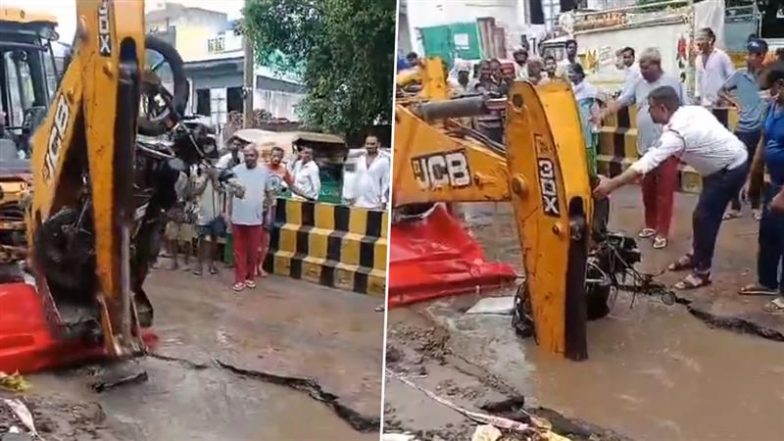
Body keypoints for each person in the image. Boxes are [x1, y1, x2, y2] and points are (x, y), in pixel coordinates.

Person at [594, 86, 749, 290]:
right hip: (723, 165)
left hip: (730, 170)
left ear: (663, 108)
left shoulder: (676, 133)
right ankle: (697, 255)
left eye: (651, 108)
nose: (648, 112)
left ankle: (702, 272)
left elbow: (645, 163)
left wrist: (611, 185)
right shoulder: (691, 111)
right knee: (701, 216)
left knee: (705, 217)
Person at [596, 47, 684, 249]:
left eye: (646, 67)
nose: (643, 71)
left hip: (668, 147)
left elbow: (685, 109)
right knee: (648, 190)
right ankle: (651, 225)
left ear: (656, 65)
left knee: (665, 192)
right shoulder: (638, 83)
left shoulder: (672, 83)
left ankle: (662, 232)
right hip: (645, 146)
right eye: (641, 67)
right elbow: (623, 100)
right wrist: (603, 113)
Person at [738, 62, 784, 311]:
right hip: (775, 182)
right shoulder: (773, 107)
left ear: (781, 85)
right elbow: (762, 144)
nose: (766, 94)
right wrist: (752, 180)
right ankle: (767, 282)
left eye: (769, 89)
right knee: (769, 235)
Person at [719, 38, 769, 221]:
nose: (749, 58)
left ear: (762, 56)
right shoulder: (739, 75)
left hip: (762, 130)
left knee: (758, 170)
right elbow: (721, 90)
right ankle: (735, 207)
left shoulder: (768, 77)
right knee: (736, 167)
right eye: (748, 54)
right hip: (742, 129)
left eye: (754, 54)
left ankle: (756, 206)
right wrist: (735, 102)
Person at [227, 145, 275, 292]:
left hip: (256, 217)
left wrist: (269, 214)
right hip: (238, 216)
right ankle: (239, 279)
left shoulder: (264, 172)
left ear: (257, 156)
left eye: (251, 155)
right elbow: (229, 194)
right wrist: (227, 213)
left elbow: (270, 194)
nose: (248, 158)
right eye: (246, 155)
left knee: (253, 250)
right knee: (238, 250)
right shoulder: (235, 171)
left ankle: (250, 278)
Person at [191, 162, 226, 276]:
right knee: (201, 240)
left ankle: (212, 264)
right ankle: (199, 265)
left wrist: (215, 178)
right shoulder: (200, 178)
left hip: (215, 214)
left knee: (214, 240)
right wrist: (206, 178)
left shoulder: (219, 180)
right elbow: (197, 191)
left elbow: (220, 190)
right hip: (202, 214)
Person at [570, 64, 600, 177]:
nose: (570, 75)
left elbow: (595, 107)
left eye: (572, 72)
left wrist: (596, 125)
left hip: (587, 125)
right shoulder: (570, 89)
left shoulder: (589, 88)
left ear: (579, 74)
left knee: (589, 151)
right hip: (574, 125)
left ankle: (592, 176)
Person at [695, 28, 735, 112]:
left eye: (701, 39)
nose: (698, 43)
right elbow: (698, 80)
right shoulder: (698, 59)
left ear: (710, 40)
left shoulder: (721, 56)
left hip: (720, 105)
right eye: (697, 39)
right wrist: (697, 95)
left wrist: (726, 97)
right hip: (704, 104)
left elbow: (732, 78)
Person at [351, 135, 391, 210]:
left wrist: (383, 202)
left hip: (375, 205)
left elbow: (385, 183)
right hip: (358, 204)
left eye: (372, 144)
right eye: (367, 144)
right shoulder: (360, 159)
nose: (369, 146)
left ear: (378, 144)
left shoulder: (383, 161)